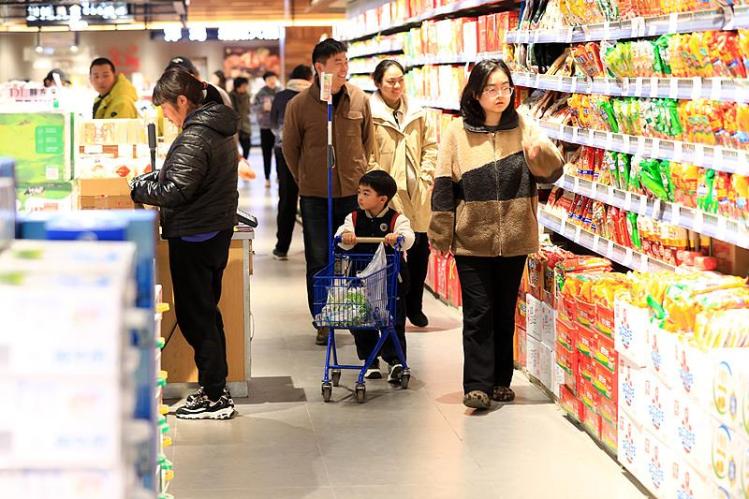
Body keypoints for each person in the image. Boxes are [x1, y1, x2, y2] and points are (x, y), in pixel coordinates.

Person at [428, 59, 563, 411]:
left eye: (505, 87)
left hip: (515, 237)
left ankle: (501, 380)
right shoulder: (456, 132)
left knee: (504, 312)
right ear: (475, 93)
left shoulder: (523, 125)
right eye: (491, 88)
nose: (500, 94)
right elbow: (443, 184)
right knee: (478, 312)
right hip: (471, 238)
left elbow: (552, 173)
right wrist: (440, 232)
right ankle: (476, 384)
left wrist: (539, 155)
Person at [130, 68, 239, 420]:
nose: (165, 115)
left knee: (197, 317)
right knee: (206, 312)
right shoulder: (216, 127)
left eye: (166, 107)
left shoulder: (196, 135)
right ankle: (216, 389)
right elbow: (185, 177)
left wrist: (137, 188)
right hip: (213, 231)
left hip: (195, 234)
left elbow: (176, 191)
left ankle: (214, 396)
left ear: (181, 100)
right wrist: (155, 178)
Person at [282, 38, 377, 346]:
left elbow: (368, 141)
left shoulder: (359, 99)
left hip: (353, 195)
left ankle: (352, 313)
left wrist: (360, 177)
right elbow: (290, 149)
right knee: (319, 258)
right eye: (338, 63)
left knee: (354, 255)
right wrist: (305, 179)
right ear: (319, 67)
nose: (344, 68)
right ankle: (322, 318)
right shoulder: (298, 105)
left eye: (346, 62)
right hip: (314, 197)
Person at [368, 59, 437, 328]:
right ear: (378, 83)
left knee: (420, 251)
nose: (396, 86)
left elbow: (430, 146)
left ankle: (415, 306)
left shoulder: (418, 112)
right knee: (394, 253)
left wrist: (426, 175)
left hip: (417, 193)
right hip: (387, 196)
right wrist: (378, 185)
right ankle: (397, 306)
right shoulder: (370, 114)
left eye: (400, 80)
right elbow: (367, 153)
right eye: (390, 81)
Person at [335, 170, 415, 382]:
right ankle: (370, 359)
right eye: (359, 192)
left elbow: (409, 237)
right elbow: (341, 235)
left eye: (366, 193)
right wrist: (345, 236)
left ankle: (395, 360)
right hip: (360, 279)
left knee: (393, 320)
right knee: (361, 319)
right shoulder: (353, 218)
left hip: (391, 280)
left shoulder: (397, 219)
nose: (360, 197)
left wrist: (398, 237)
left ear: (382, 199)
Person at [269, 64, 314, 261]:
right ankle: (312, 248)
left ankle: (282, 247)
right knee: (311, 200)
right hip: (310, 154)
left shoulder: (280, 96)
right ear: (309, 77)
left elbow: (272, 123)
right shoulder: (314, 96)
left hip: (283, 152)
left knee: (287, 198)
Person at [253, 71, 280, 188]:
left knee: (279, 153)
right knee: (266, 153)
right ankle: (267, 177)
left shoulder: (280, 91)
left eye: (273, 78)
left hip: (279, 127)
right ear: (265, 81)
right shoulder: (260, 93)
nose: (272, 81)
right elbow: (253, 108)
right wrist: (263, 107)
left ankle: (279, 175)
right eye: (269, 79)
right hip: (265, 127)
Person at [230, 77, 252, 159]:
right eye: (244, 85)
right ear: (237, 86)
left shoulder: (247, 96)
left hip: (245, 126)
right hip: (234, 126)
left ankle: (244, 161)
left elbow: (248, 110)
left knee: (247, 147)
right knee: (233, 149)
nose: (245, 87)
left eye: (246, 85)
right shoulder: (231, 96)